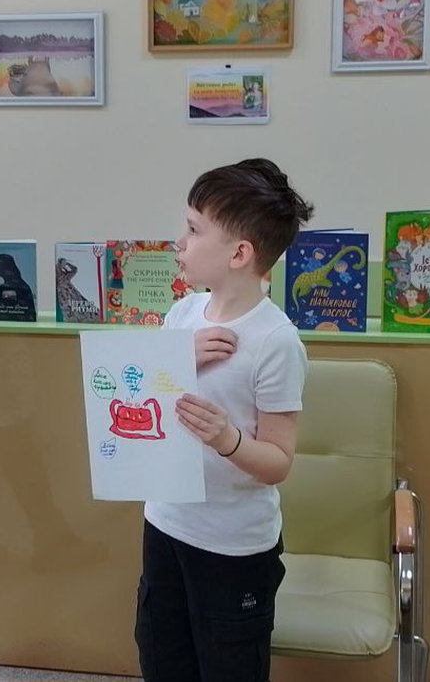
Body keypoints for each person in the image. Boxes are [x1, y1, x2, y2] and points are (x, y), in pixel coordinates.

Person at [135, 158, 313, 682]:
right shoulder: (182, 315)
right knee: (162, 656)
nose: (180, 242)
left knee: (229, 665)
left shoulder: (276, 341)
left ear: (239, 254)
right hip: (166, 524)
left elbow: (278, 463)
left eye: (193, 230)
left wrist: (227, 439)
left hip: (234, 547)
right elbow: (142, 401)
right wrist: (176, 361)